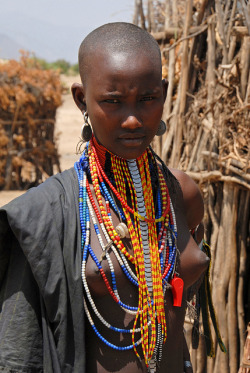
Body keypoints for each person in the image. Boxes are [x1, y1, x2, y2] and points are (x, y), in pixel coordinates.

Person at [0, 22, 209, 373]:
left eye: (148, 99)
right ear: (82, 99)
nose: (131, 119)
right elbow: (17, 354)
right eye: (112, 102)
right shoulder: (48, 213)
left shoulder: (181, 193)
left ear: (164, 92)